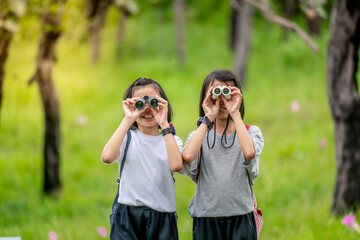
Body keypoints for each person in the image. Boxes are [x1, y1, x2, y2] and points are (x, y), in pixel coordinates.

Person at [181, 69, 264, 240]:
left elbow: (249, 152)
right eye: (214, 94)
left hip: (241, 216)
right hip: (205, 218)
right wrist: (207, 118)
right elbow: (188, 156)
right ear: (205, 99)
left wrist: (235, 112)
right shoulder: (199, 135)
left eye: (227, 92)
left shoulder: (251, 132)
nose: (221, 100)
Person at [101, 77, 183, 240]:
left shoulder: (171, 140)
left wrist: (164, 124)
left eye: (153, 102)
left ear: (163, 104)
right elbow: (107, 157)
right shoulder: (127, 138)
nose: (147, 109)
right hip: (127, 215)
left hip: (163, 217)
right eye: (140, 103)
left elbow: (176, 165)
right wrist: (128, 118)